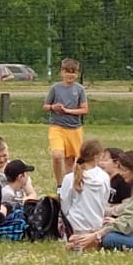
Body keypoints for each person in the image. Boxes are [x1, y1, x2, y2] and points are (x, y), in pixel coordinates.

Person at [43, 57, 89, 185]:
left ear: (77, 74)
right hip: (57, 127)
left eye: (73, 72)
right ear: (61, 72)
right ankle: (59, 185)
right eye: (67, 72)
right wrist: (53, 107)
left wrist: (67, 111)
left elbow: (84, 109)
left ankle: (69, 186)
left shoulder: (79, 89)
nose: (70, 75)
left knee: (72, 161)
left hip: (74, 129)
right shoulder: (55, 88)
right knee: (57, 156)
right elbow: (45, 106)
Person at [60, 139, 113, 234]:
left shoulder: (69, 178)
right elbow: (104, 200)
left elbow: (64, 203)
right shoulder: (105, 177)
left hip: (74, 226)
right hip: (96, 226)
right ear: (96, 157)